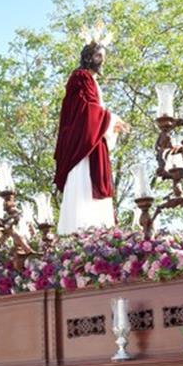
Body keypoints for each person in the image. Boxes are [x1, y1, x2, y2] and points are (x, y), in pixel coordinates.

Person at [54, 38, 129, 235]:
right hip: (83, 148)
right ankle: (80, 239)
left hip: (94, 142)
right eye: (98, 56)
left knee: (94, 195)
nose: (101, 61)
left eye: (103, 57)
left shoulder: (91, 81)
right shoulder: (81, 77)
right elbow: (85, 109)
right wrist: (111, 120)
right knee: (83, 187)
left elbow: (94, 109)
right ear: (87, 57)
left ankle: (98, 240)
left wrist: (111, 125)